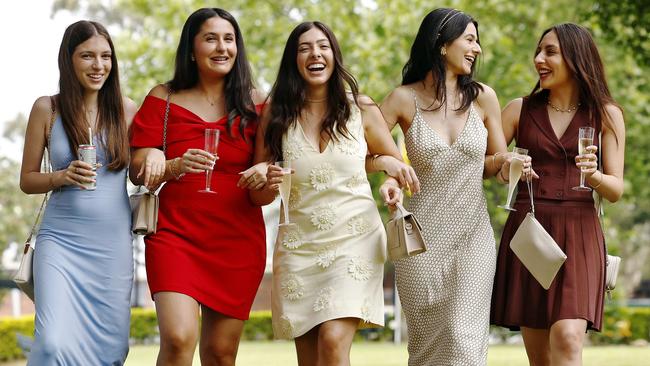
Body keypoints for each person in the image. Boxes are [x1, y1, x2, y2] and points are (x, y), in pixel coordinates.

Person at [250, 21, 417, 366]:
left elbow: (388, 166)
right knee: (310, 359)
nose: (315, 54)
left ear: (334, 55)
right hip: (298, 245)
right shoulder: (275, 114)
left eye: (323, 46)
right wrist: (264, 179)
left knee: (332, 342)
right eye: (305, 48)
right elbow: (260, 197)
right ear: (293, 60)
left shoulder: (362, 109)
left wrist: (391, 182)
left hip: (354, 239)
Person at [129, 8, 267, 366]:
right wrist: (171, 165)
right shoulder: (164, 97)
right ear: (191, 49)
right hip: (175, 235)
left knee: (221, 355)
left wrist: (266, 173)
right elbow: (138, 168)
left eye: (229, 39)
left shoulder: (257, 103)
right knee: (178, 339)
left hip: (237, 239)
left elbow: (265, 174)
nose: (222, 47)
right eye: (210, 38)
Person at [380, 8, 510, 365]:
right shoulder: (402, 99)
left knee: (462, 336)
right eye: (469, 39)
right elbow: (362, 145)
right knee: (426, 347)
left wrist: (508, 163)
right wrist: (390, 172)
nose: (477, 49)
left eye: (477, 40)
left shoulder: (484, 97)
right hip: (419, 241)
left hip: (473, 235)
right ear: (441, 43)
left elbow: (495, 166)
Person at [491, 23, 625, 366]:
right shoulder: (519, 109)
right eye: (538, 51)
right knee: (541, 358)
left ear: (577, 58)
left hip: (579, 234)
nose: (539, 59)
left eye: (550, 52)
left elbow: (616, 190)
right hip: (529, 232)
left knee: (567, 338)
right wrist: (507, 163)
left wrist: (593, 175)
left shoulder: (606, 114)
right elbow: (486, 162)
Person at [19, 20, 137, 365]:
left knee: (111, 349)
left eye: (105, 56)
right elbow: (27, 180)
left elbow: (145, 168)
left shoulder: (127, 110)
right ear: (68, 60)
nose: (98, 66)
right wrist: (61, 176)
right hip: (61, 243)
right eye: (87, 56)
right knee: (53, 343)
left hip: (112, 246)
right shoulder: (47, 108)